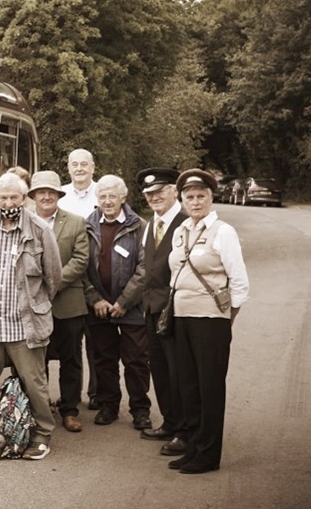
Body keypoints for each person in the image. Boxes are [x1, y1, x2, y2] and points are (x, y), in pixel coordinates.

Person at [0, 173, 61, 461]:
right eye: (3, 197)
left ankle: (42, 435)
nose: (8, 203)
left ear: (24, 199)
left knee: (34, 382)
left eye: (14, 197)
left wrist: (35, 305)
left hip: (25, 324)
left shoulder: (40, 229)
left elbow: (53, 278)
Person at [166, 169, 249, 474]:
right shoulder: (181, 230)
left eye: (201, 196)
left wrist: (227, 318)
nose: (195, 201)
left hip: (211, 320)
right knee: (188, 386)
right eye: (189, 197)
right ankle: (193, 447)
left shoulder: (223, 232)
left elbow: (239, 282)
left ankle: (208, 454)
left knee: (209, 387)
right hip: (181, 316)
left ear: (211, 197)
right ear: (182, 200)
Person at [83, 175, 151, 430]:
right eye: (103, 196)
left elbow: (145, 268)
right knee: (104, 359)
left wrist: (124, 302)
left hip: (131, 306)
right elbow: (81, 266)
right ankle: (108, 405)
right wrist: (95, 299)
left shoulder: (139, 226)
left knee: (136, 360)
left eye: (112, 196)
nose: (108, 201)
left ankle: (140, 410)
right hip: (99, 306)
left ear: (123, 197)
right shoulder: (87, 226)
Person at [135, 168, 190, 456]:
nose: (154, 197)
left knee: (179, 372)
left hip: (177, 311)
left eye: (159, 191)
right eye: (149, 194)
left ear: (174, 191)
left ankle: (185, 431)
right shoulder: (150, 225)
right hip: (152, 310)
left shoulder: (186, 223)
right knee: (160, 370)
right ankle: (170, 422)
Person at [30, 171, 89, 433]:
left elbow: (80, 259)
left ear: (58, 195)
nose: (46, 196)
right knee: (35, 360)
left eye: (51, 192)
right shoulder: (24, 221)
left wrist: (51, 284)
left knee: (71, 359)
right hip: (33, 304)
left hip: (68, 303)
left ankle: (70, 410)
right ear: (33, 196)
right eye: (41, 192)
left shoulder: (75, 222)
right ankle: (39, 408)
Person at [58, 148, 100, 410]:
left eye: (84, 164)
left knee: (96, 341)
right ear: (69, 168)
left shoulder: (103, 193)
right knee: (71, 343)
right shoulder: (60, 195)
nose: (80, 168)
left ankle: (96, 393)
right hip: (70, 278)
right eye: (75, 164)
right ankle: (68, 397)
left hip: (96, 273)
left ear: (93, 167)